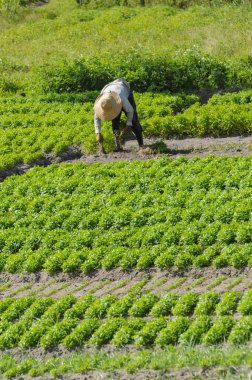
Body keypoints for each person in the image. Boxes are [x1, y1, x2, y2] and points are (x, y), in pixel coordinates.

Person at [93, 78, 144, 152]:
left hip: (124, 90)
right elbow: (96, 118)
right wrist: (98, 133)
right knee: (115, 123)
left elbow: (130, 111)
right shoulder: (101, 102)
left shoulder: (122, 99)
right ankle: (118, 146)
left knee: (134, 121)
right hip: (110, 89)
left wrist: (128, 125)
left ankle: (141, 145)